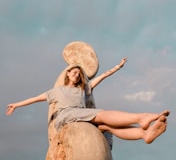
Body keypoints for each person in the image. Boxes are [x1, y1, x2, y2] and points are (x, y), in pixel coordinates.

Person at [6, 58, 169, 144]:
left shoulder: (84, 89)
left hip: (83, 116)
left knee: (107, 126)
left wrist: (117, 67)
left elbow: (103, 76)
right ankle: (141, 118)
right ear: (68, 74)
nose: (77, 75)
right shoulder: (56, 92)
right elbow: (35, 99)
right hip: (67, 117)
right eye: (74, 72)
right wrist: (16, 105)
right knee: (103, 114)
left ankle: (144, 134)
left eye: (79, 73)